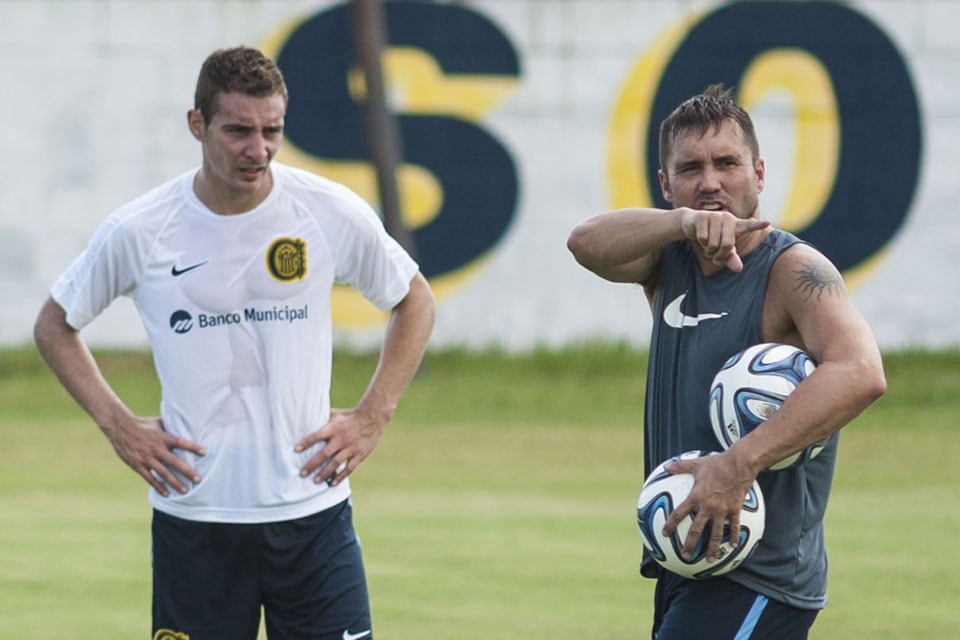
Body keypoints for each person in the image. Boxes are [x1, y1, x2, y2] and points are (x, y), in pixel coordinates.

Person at [34, 46, 435, 640]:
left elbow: (414, 300)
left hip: (312, 513)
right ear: (197, 125)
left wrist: (372, 416)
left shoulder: (323, 210)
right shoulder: (143, 229)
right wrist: (118, 426)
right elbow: (54, 324)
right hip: (196, 519)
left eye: (271, 130)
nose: (259, 149)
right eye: (239, 131)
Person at [566, 85, 885, 639]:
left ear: (759, 173)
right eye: (689, 168)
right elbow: (585, 243)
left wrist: (736, 466)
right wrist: (683, 224)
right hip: (689, 560)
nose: (709, 181)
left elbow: (860, 372)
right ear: (666, 186)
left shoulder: (791, 269)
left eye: (727, 163)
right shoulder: (669, 260)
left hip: (759, 571)